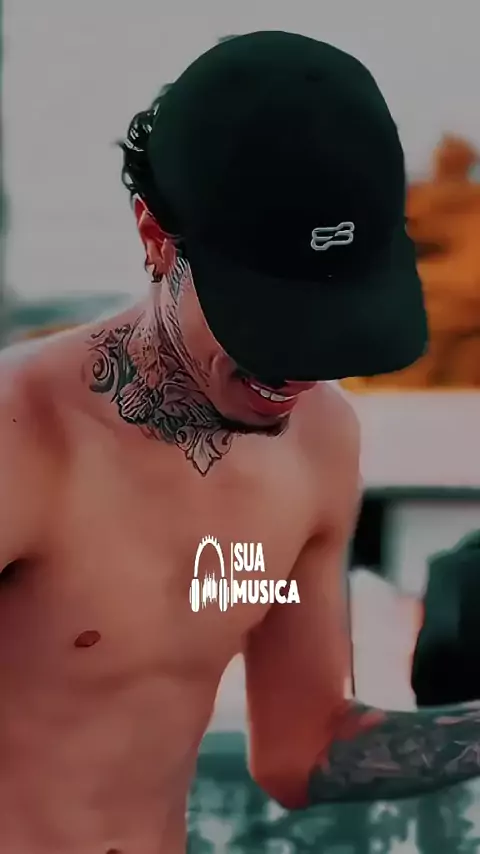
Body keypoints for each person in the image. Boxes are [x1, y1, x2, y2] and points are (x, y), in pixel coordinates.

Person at [2, 28, 475, 854]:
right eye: (270, 317)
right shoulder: (22, 439)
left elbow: (304, 746)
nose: (298, 366)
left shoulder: (320, 443)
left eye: (332, 318)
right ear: (156, 237)